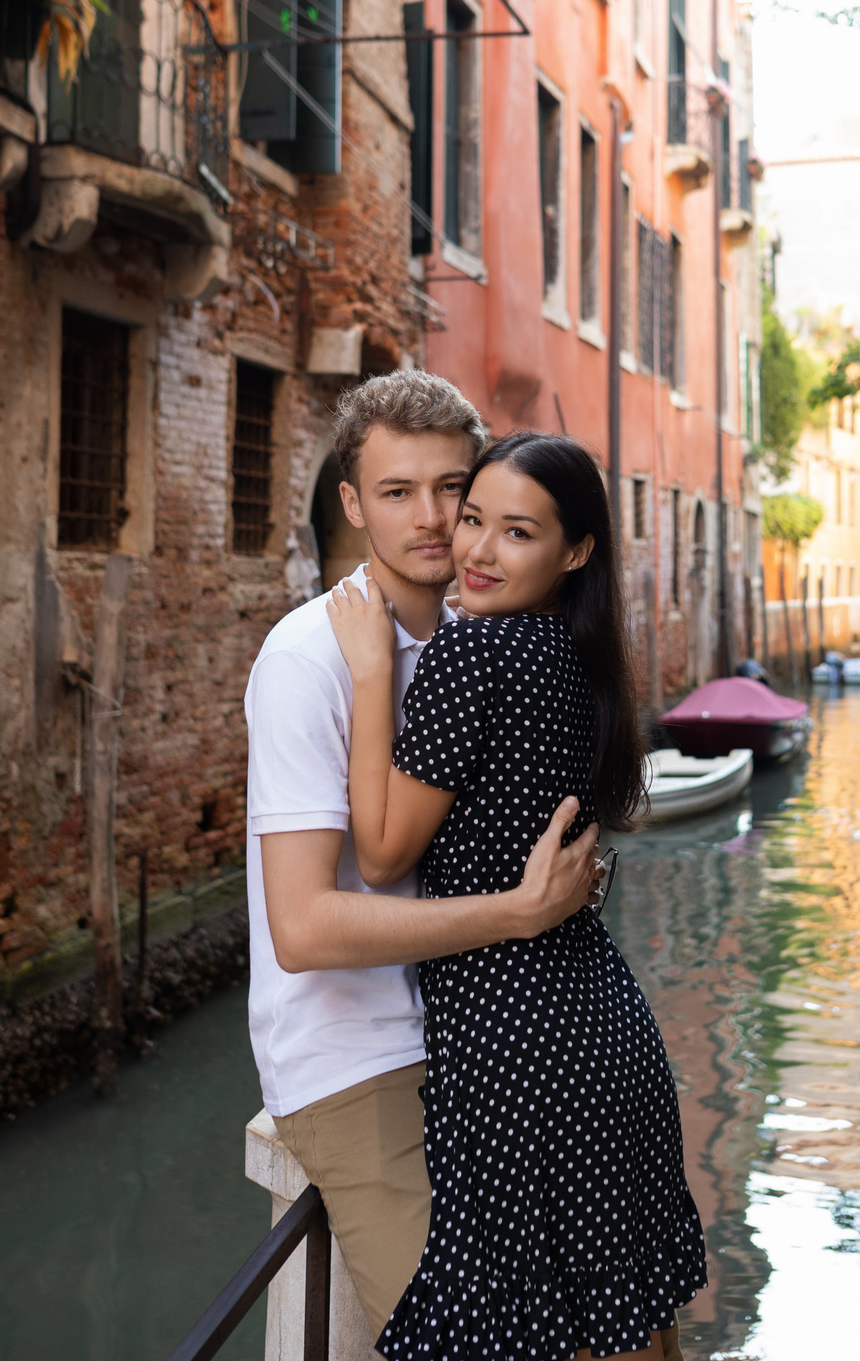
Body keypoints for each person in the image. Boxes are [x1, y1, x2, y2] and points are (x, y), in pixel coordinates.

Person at [328, 431, 708, 1361]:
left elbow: (381, 852)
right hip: (604, 1029)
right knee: (627, 1325)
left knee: (543, 1333)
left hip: (516, 1050)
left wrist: (374, 671)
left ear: (574, 551)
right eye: (473, 520)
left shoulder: (473, 654)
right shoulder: (582, 660)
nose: (479, 550)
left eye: (518, 532)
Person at [243, 372, 604, 1341]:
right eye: (397, 492)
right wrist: (518, 912)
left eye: (453, 488)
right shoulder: (307, 660)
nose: (435, 518)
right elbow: (302, 928)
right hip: (359, 1059)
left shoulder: (479, 638)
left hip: (477, 1037)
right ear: (353, 504)